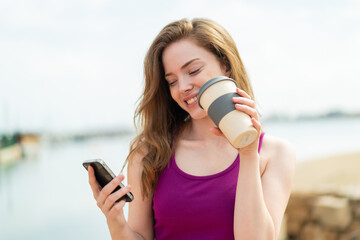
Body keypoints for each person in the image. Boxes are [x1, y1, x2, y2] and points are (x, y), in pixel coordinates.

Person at [88, 18, 296, 240]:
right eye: (171, 81)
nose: (183, 87)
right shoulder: (149, 153)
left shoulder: (275, 153)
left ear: (225, 64)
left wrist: (247, 154)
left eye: (193, 70)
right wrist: (116, 222)